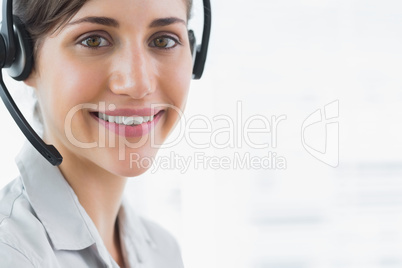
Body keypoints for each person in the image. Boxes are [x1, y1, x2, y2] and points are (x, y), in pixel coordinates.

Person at [0, 0, 198, 266]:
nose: (138, 84)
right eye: (93, 40)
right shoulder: (10, 252)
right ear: (21, 56)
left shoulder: (163, 251)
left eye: (163, 41)